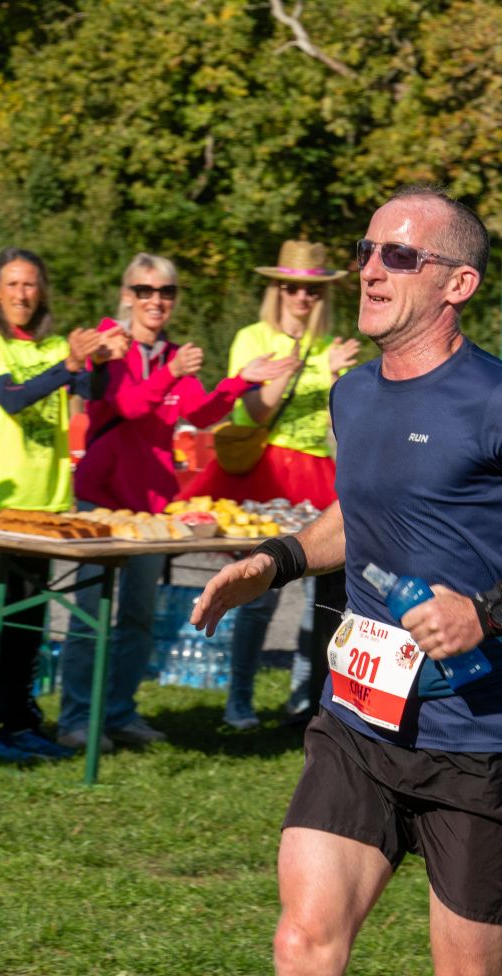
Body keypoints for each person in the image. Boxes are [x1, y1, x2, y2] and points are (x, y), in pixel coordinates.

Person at [191, 185, 502, 976]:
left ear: (457, 284)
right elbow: (360, 514)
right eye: (365, 250)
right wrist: (275, 560)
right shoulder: (355, 394)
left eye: (399, 256)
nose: (369, 269)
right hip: (358, 718)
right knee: (303, 945)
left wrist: (492, 610)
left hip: (472, 735)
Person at [57, 252, 292, 753]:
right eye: (145, 291)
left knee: (138, 616)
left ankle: (118, 712)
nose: (156, 300)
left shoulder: (171, 355)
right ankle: (76, 718)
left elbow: (201, 413)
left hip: (149, 509)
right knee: (86, 616)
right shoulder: (107, 344)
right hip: (99, 502)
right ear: (127, 296)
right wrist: (171, 373)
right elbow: (126, 406)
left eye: (166, 291)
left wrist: (243, 380)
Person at [180, 240, 359, 729]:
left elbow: (339, 422)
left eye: (312, 290)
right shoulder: (252, 337)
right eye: (292, 288)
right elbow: (253, 410)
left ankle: (305, 701)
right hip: (268, 473)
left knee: (320, 597)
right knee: (259, 588)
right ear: (277, 290)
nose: (302, 298)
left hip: (318, 473)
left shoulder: (332, 345)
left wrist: (342, 379)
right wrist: (299, 367)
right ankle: (239, 701)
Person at [0, 247, 125, 762]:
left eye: (30, 284)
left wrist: (96, 360)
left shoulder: (55, 343)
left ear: (42, 291)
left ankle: (20, 723)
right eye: (12, 284)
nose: (21, 294)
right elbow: (9, 398)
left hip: (49, 509)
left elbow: (92, 393)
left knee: (29, 628)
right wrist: (68, 363)